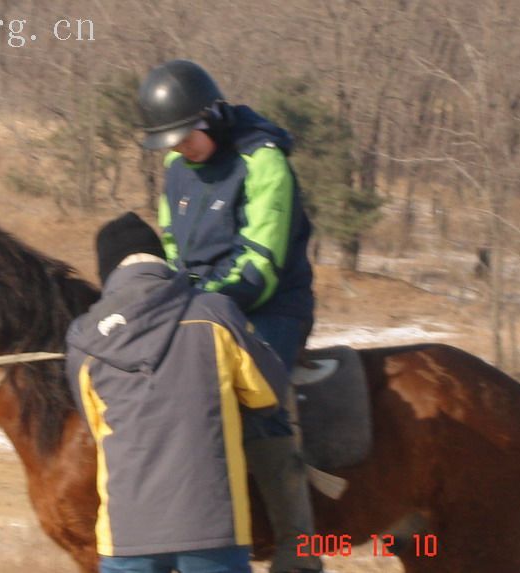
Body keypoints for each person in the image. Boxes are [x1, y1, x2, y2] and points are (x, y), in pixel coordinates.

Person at [137, 60, 322, 573]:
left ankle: (297, 549)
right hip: (202, 308)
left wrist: (200, 307)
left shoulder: (265, 162)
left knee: (253, 396)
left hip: (271, 308)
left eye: (185, 136)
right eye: (170, 142)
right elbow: (175, 251)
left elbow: (259, 266)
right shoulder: (176, 173)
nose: (179, 148)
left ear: (212, 114)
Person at [65, 212, 289, 573]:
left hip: (126, 534)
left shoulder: (83, 338)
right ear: (163, 262)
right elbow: (268, 394)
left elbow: (97, 427)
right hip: (213, 529)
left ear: (108, 273)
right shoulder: (215, 314)